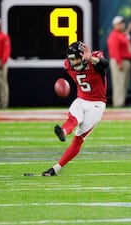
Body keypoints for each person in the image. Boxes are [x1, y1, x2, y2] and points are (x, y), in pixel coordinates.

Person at [42, 41, 109, 176]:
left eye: (76, 59)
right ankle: (64, 132)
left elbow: (105, 63)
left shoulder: (94, 58)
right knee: (73, 117)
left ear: (82, 56)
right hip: (81, 99)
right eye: (71, 60)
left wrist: (91, 59)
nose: (73, 63)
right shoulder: (68, 65)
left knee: (78, 139)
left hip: (96, 104)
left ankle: (56, 168)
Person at [107, 16, 131, 107]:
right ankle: (118, 103)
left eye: (122, 23)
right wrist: (119, 62)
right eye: (120, 23)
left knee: (124, 83)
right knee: (118, 83)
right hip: (119, 61)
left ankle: (122, 102)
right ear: (115, 25)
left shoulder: (122, 35)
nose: (122, 25)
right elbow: (115, 50)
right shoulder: (114, 35)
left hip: (126, 61)